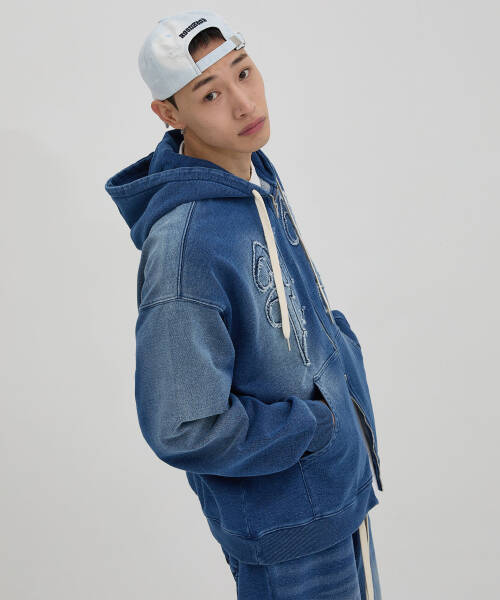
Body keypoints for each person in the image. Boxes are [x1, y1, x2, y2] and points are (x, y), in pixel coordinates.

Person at [105, 9, 384, 599]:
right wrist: (316, 424)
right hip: (289, 531)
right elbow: (182, 425)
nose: (243, 103)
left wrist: (340, 380)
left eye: (243, 72)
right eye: (210, 94)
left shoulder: (252, 180)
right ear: (169, 114)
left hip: (336, 496)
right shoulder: (185, 246)